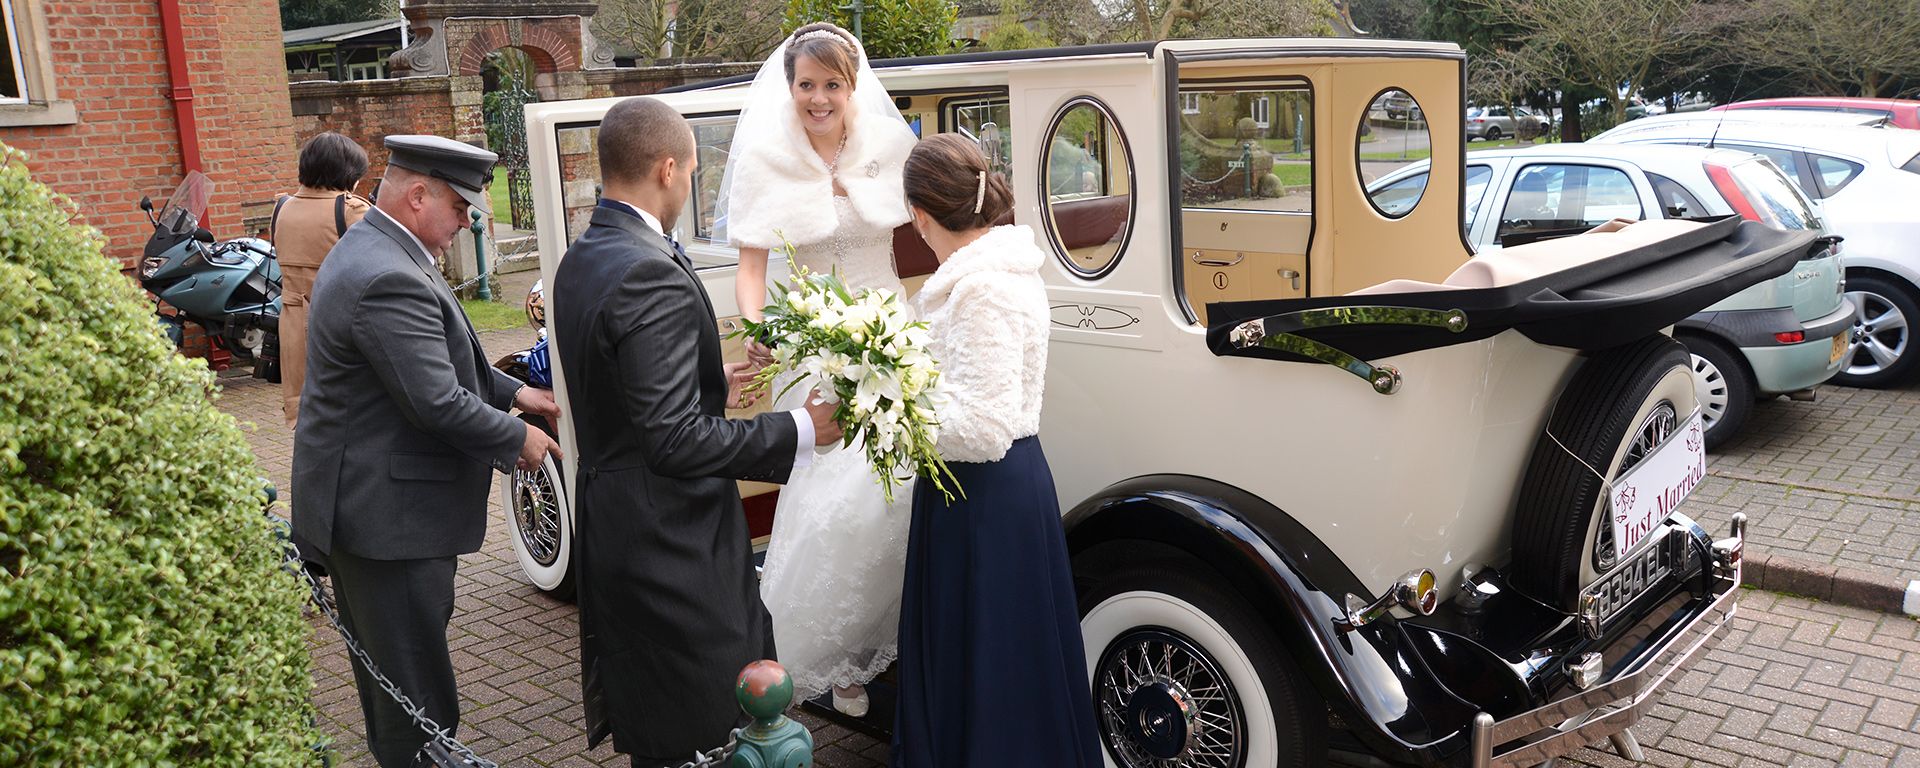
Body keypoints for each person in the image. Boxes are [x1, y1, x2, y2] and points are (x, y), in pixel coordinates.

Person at [547, 96, 844, 768]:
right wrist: (801, 427)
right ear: (667, 168)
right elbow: (674, 441)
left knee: (661, 711)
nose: (688, 186)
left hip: (620, 521)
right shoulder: (647, 268)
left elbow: (621, 391)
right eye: (689, 175)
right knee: (716, 718)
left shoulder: (583, 256)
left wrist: (711, 381)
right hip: (670, 541)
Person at [291, 135, 563, 767]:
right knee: (413, 697)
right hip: (389, 520)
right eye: (462, 210)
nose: (466, 223)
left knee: (400, 678)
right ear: (418, 196)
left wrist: (519, 393)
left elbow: (440, 361)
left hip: (374, 508)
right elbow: (435, 399)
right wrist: (517, 437)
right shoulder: (388, 273)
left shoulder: (374, 247)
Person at [716, 21, 921, 717]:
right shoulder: (766, 160)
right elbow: (751, 268)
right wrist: (758, 330)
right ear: (790, 87)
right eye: (807, 85)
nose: (819, 99)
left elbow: (932, 224)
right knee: (834, 495)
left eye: (833, 85)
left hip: (889, 328)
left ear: (853, 86)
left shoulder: (889, 146)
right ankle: (834, 657)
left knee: (898, 490)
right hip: (814, 345)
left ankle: (895, 628)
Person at [892, 134, 1102, 767]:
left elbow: (982, 426)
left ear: (922, 215)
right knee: (1000, 659)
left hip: (984, 494)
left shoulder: (983, 288)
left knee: (992, 665)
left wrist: (891, 417)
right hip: (994, 488)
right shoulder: (997, 270)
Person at [273, 132, 371, 428]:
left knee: (308, 416)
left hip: (292, 325)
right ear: (347, 174)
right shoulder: (351, 210)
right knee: (354, 417)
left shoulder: (282, 208)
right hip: (339, 324)